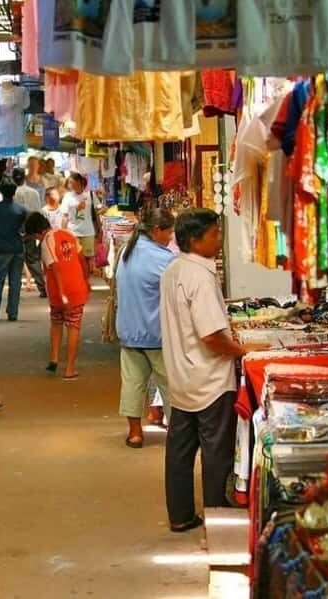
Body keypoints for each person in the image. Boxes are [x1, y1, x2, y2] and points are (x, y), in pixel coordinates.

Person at [159, 208, 268, 532]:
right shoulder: (200, 277)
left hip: (181, 375)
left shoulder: (174, 269)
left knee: (179, 451)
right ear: (195, 239)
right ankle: (219, 521)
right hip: (209, 380)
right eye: (214, 234)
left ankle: (180, 515)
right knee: (216, 453)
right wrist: (244, 351)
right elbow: (211, 336)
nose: (219, 240)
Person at [116, 208, 176, 449]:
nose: (171, 238)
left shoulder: (126, 252)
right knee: (171, 385)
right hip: (157, 334)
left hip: (129, 331)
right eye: (169, 232)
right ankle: (176, 433)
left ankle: (135, 433)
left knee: (132, 383)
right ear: (156, 230)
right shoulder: (164, 259)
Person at [24, 212, 89, 381]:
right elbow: (81, 258)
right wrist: (86, 279)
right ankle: (70, 369)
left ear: (37, 232)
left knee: (57, 322)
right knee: (73, 326)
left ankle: (55, 359)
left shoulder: (46, 242)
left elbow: (56, 268)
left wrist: (61, 294)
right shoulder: (68, 234)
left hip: (58, 292)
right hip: (76, 288)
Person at [0, 176, 27, 322]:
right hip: (17, 248)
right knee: (15, 282)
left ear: (1, 192)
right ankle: (13, 312)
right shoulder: (21, 210)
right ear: (14, 192)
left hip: (2, 248)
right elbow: (24, 230)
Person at [12, 167, 47, 298]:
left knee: (14, 261)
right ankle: (43, 288)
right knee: (33, 260)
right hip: (30, 230)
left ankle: (14, 290)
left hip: (14, 231)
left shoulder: (9, 194)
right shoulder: (34, 193)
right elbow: (38, 212)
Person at [60, 172, 97, 261]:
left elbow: (96, 212)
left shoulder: (90, 195)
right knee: (74, 258)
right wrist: (63, 233)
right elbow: (65, 216)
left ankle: (87, 275)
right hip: (73, 232)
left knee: (88, 258)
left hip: (88, 232)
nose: (71, 185)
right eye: (70, 183)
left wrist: (99, 229)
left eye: (73, 183)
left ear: (80, 182)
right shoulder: (67, 197)